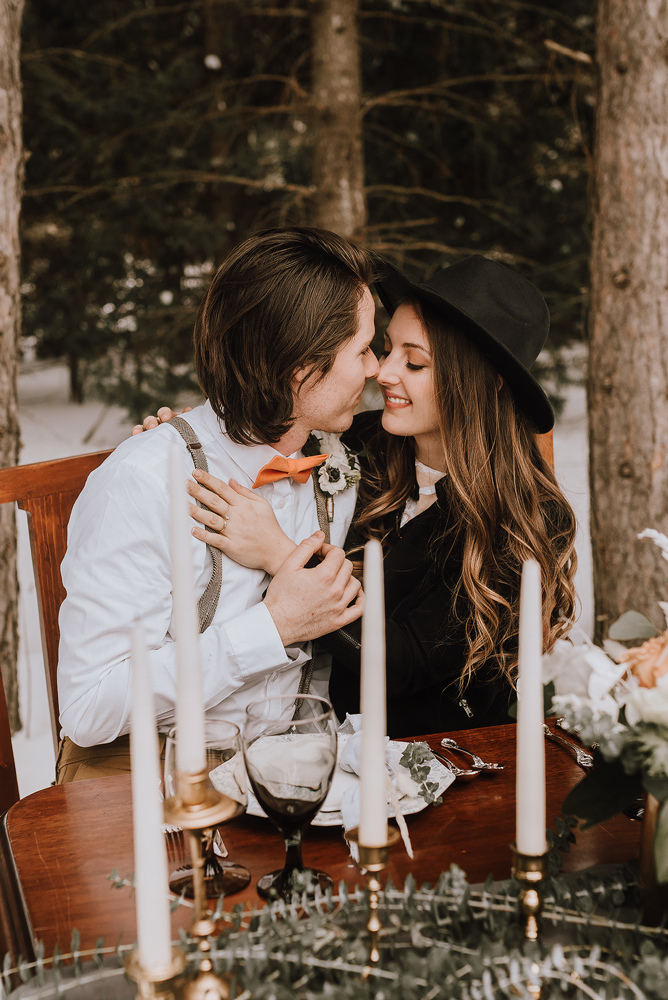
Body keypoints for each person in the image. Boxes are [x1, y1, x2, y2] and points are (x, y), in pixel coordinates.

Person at [173, 254, 577, 738]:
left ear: (485, 381)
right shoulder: (362, 445)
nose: (383, 373)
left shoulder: (525, 516)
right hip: (327, 739)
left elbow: (401, 664)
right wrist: (181, 439)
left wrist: (280, 554)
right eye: (386, 350)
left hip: (449, 756)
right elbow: (263, 438)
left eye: (415, 362)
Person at [55, 227, 379, 782]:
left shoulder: (343, 465)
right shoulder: (145, 481)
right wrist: (271, 630)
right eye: (363, 349)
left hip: (298, 775)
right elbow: (89, 707)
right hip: (152, 779)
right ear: (301, 371)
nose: (376, 368)